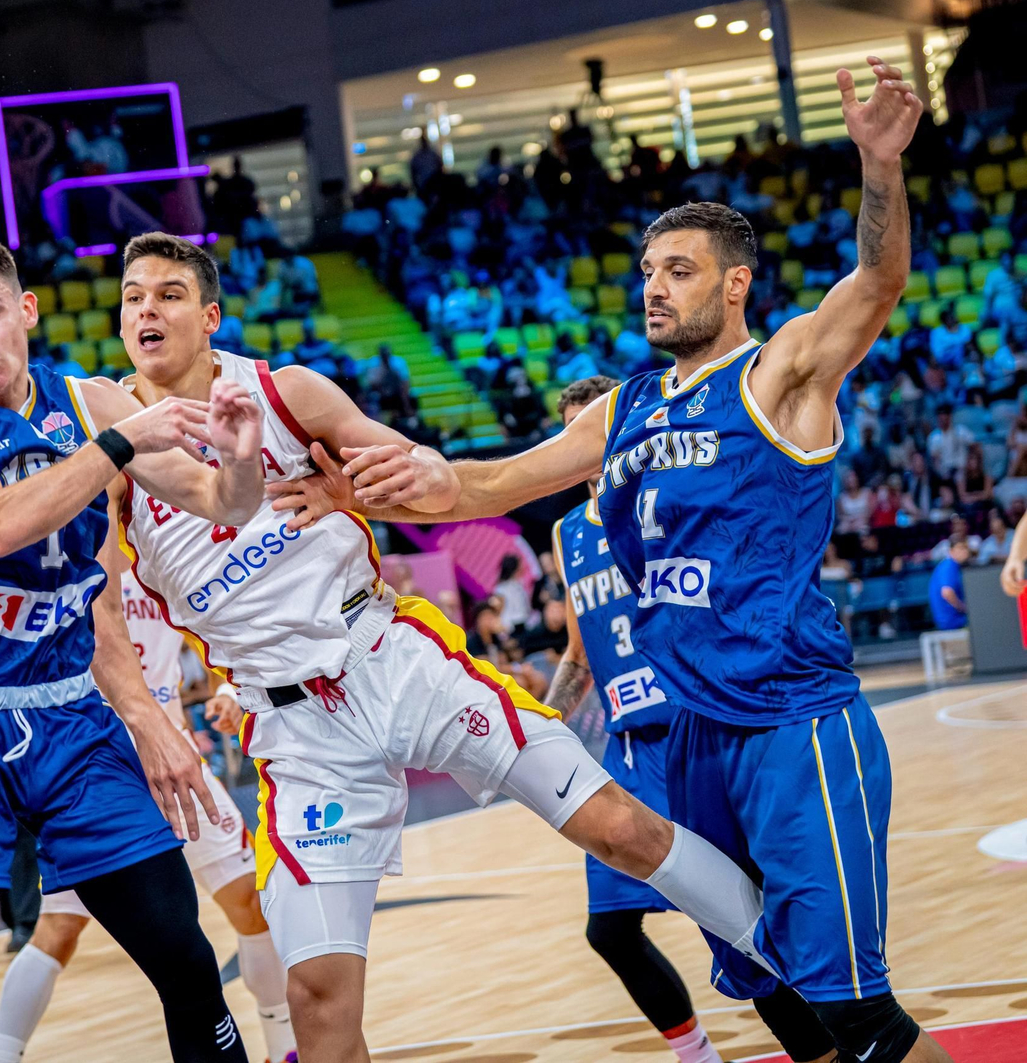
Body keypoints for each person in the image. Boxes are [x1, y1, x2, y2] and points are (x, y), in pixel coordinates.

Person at [272, 58, 951, 1063]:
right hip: (689, 737)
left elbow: (877, 283)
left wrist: (879, 166)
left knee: (854, 1010)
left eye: (678, 271)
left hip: (791, 720)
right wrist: (364, 491)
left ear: (734, 283)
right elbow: (490, 484)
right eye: (646, 272)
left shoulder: (780, 373)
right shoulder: (624, 407)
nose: (653, 288)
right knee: (775, 990)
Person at [117, 231, 787, 1063]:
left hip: (390, 656)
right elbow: (104, 610)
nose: (148, 310)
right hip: (293, 727)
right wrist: (148, 718)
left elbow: (425, 478)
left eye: (169, 294)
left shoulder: (285, 392)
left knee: (619, 829)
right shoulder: (112, 447)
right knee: (316, 996)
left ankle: (816, 979)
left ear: (210, 315)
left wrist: (355, 488)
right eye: (133, 297)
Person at [0, 236, 266, 1063]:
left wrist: (242, 461)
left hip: (71, 720)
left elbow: (218, 505)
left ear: (26, 311)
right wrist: (122, 444)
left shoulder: (88, 402)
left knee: (188, 964)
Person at [547, 376, 835, 1063]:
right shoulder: (566, 533)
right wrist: (536, 726)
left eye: (593, 428)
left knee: (743, 927)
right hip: (628, 753)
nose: (583, 445)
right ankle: (698, 1055)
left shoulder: (668, 502)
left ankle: (824, 1049)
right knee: (610, 930)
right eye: (571, 432)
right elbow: (580, 652)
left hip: (692, 729)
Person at [0, 556, 296, 1063]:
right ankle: (1, 1055)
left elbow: (216, 626)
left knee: (250, 903)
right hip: (95, 765)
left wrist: (226, 689)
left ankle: (283, 1048)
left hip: (173, 752)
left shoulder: (163, 551)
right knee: (58, 930)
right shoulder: (61, 559)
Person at [929, 537, 970, 630]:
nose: (965, 551)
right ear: (951, 551)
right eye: (961, 548)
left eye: (966, 548)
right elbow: (947, 593)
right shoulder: (949, 566)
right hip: (952, 621)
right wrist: (965, 608)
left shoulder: (952, 566)